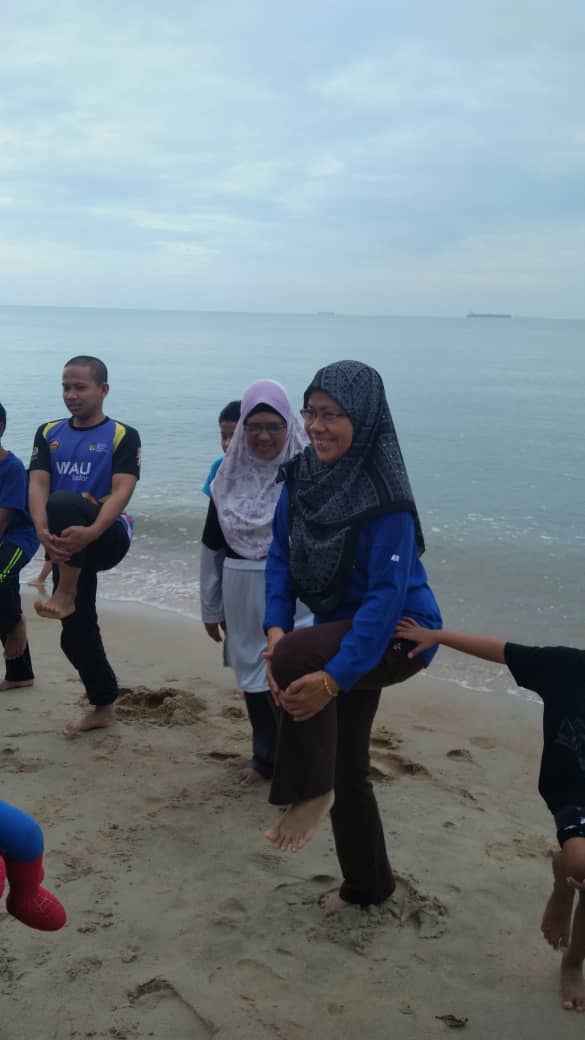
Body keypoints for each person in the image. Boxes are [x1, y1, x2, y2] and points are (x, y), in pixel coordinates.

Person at [263, 360, 442, 911]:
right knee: (347, 762)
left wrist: (333, 678)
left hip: (403, 635)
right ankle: (368, 886)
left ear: (363, 419)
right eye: (311, 412)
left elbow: (386, 598)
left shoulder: (386, 494)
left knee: (301, 662)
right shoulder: (301, 476)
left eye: (332, 415)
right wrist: (276, 632)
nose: (316, 427)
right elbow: (280, 556)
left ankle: (311, 789)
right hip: (341, 631)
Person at [394, 616, 585, 1013]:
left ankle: (572, 961)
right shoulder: (564, 666)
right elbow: (500, 651)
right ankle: (563, 889)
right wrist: (436, 635)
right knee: (581, 864)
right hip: (571, 793)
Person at [200, 379, 308, 786]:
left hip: (298, 591)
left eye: (274, 426)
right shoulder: (226, 479)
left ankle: (301, 766)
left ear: (289, 427)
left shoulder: (309, 473)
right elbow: (212, 546)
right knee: (252, 675)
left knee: (295, 674)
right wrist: (210, 608)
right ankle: (265, 759)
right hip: (240, 588)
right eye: (254, 426)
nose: (263, 436)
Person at [28, 355, 141, 737]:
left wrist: (92, 531)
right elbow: (38, 483)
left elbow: (122, 491)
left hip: (107, 536)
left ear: (103, 390)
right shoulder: (48, 432)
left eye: (80, 387)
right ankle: (103, 704)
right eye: (66, 387)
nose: (71, 395)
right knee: (75, 637)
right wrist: (40, 529)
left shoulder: (123, 435)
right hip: (65, 543)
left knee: (64, 501)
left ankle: (65, 591)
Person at [0, 402, 38, 691]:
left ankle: (16, 622)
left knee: (0, 576)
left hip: (18, 537)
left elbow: (3, 520)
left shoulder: (11, 468)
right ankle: (20, 675)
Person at [201, 400, 241, 497]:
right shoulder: (219, 466)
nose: (227, 444)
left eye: (234, 437)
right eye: (224, 437)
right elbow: (213, 504)